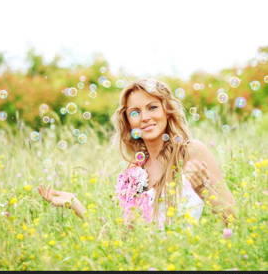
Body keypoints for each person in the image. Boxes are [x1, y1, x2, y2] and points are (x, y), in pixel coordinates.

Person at [38, 79, 236, 228]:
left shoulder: (190, 151)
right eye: (135, 112)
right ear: (128, 121)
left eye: (152, 107)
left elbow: (232, 218)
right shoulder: (135, 169)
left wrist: (203, 189)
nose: (145, 118)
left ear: (167, 111)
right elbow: (122, 234)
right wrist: (76, 204)